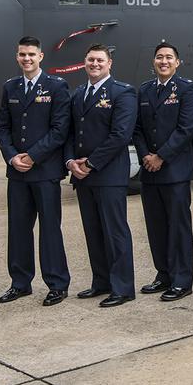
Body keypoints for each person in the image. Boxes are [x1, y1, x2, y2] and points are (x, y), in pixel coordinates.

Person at [0, 36, 71, 306]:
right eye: (22, 55)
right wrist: (12, 156)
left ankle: (57, 284)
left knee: (50, 229)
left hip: (45, 171)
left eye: (31, 54)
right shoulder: (10, 87)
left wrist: (34, 156)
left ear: (41, 56)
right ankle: (20, 282)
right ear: (17, 57)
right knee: (18, 229)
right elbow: (2, 127)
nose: (26, 59)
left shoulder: (56, 86)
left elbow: (60, 129)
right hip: (17, 171)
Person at [65, 44, 138, 308]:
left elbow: (120, 134)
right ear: (84, 62)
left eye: (100, 60)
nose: (94, 64)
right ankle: (101, 282)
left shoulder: (123, 92)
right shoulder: (78, 94)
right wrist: (71, 161)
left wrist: (92, 163)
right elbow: (70, 132)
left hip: (108, 174)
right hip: (83, 175)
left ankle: (123, 288)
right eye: (90, 60)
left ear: (109, 64)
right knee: (93, 231)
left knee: (115, 232)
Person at [134, 42, 193, 302]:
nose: (163, 61)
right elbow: (137, 129)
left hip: (175, 170)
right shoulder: (145, 90)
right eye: (159, 57)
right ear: (154, 62)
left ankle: (182, 280)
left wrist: (161, 156)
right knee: (156, 225)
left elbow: (187, 128)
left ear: (177, 62)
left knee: (178, 226)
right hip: (150, 171)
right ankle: (164, 274)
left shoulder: (186, 89)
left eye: (169, 57)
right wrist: (145, 156)